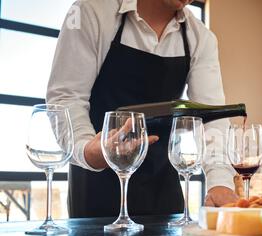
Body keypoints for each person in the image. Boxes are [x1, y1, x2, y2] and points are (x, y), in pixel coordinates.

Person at [47, 0, 238, 218]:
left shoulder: (201, 38)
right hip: (97, 185)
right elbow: (66, 97)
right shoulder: (89, 11)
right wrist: (88, 149)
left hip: (163, 187)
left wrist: (220, 182)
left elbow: (211, 116)